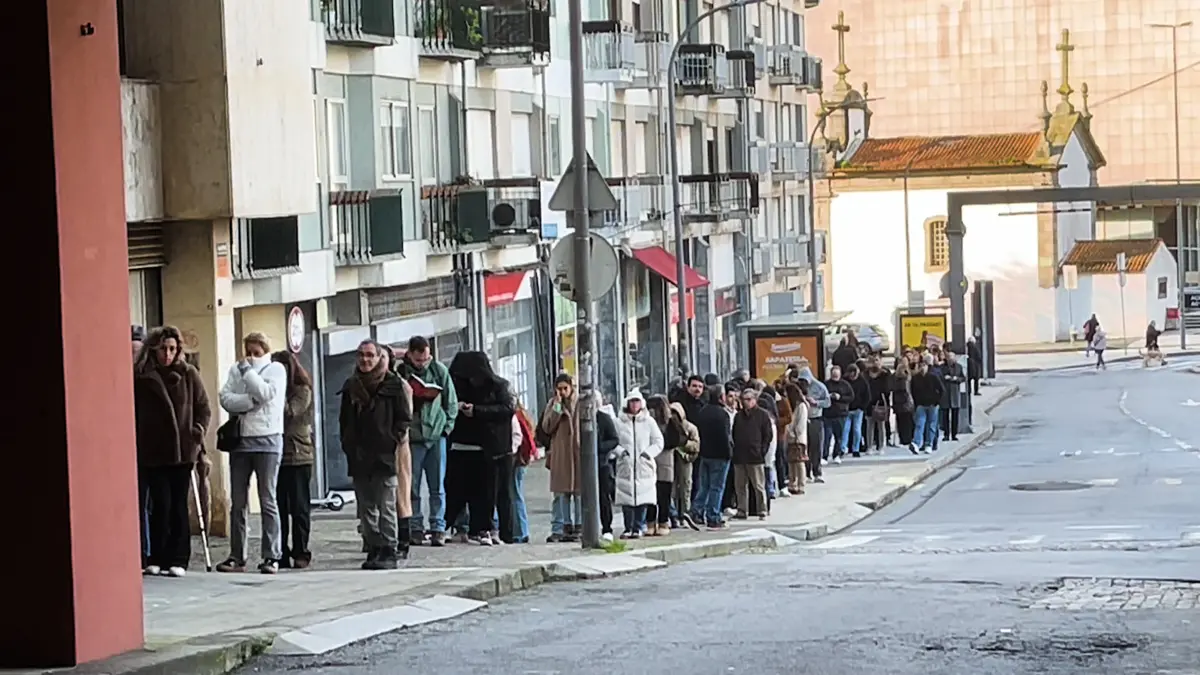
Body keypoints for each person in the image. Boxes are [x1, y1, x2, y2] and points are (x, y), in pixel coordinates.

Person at [134, 327, 211, 578]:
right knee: (160, 505)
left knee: (178, 504)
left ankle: (179, 558)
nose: (167, 354)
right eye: (163, 349)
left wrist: (196, 432)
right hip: (153, 450)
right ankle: (157, 556)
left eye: (172, 349)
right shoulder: (142, 376)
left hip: (182, 450)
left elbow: (203, 407)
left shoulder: (188, 374)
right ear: (154, 349)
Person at [217, 332, 288, 575]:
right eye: (249, 352)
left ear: (265, 351)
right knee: (238, 502)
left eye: (257, 353)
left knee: (268, 499)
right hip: (240, 442)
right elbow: (226, 398)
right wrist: (248, 402)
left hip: (268, 441)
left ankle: (271, 555)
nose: (251, 357)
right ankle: (237, 555)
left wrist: (249, 374)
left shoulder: (276, 369)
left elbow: (268, 394)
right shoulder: (236, 370)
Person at [338, 339, 412, 568]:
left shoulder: (393, 384)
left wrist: (393, 439)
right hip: (359, 455)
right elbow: (344, 420)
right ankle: (374, 546)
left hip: (384, 453)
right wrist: (348, 444)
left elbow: (404, 417)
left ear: (380, 358)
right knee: (366, 508)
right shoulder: (352, 385)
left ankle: (389, 549)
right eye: (361, 355)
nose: (365, 359)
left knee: (386, 505)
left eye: (370, 355)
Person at [445, 352, 516, 546]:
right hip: (461, 445)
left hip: (491, 449)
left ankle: (496, 530)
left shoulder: (498, 386)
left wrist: (476, 411)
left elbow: (506, 410)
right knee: (458, 490)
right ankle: (460, 526)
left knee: (494, 494)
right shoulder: (455, 386)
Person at [393, 336, 458, 547]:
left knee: (437, 485)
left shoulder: (439, 371)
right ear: (409, 354)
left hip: (435, 435)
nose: (423, 363)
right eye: (419, 360)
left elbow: (451, 402)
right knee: (411, 485)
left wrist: (446, 427)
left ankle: (438, 527)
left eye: (426, 359)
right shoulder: (401, 373)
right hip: (412, 438)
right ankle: (415, 526)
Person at [272, 351, 315, 569]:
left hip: (298, 455)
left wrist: (272, 394)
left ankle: (301, 550)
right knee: (278, 506)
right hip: (276, 455)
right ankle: (281, 551)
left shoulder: (302, 391)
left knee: (299, 507)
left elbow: (291, 412)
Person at [614, 391, 664, 538]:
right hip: (626, 465)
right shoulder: (619, 422)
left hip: (643, 465)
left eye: (637, 401)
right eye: (632, 402)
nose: (634, 405)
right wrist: (621, 452)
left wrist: (648, 454)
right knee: (626, 498)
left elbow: (658, 441)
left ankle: (638, 526)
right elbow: (613, 441)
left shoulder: (649, 422)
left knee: (643, 497)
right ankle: (628, 527)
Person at [541, 373, 582, 543]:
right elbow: (547, 426)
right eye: (559, 389)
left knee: (579, 493)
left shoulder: (580, 403)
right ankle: (560, 527)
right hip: (561, 454)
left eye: (566, 388)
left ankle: (580, 526)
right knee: (560, 493)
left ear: (572, 387)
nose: (563, 392)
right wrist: (557, 406)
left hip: (577, 453)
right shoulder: (553, 404)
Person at [691, 385, 734, 529]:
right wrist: (730, 453)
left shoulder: (703, 412)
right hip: (720, 455)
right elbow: (725, 436)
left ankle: (696, 511)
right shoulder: (722, 414)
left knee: (704, 486)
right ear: (721, 397)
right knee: (717, 487)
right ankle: (713, 516)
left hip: (705, 454)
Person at [732, 387, 774, 520]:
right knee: (740, 486)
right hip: (740, 456)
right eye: (744, 400)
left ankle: (762, 510)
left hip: (755, 456)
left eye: (749, 399)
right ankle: (742, 510)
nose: (746, 402)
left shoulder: (762, 415)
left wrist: (762, 450)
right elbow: (734, 433)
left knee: (758, 485)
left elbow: (768, 435)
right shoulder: (739, 416)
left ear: (755, 400)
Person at [794, 360, 829, 483]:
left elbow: (828, 402)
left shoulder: (820, 387)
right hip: (803, 419)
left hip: (815, 418)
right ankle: (807, 472)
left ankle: (817, 472)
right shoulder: (798, 387)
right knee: (805, 446)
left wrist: (816, 402)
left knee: (816, 446)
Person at [667, 401, 700, 530]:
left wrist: (683, 444)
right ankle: (674, 516)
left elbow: (696, 445)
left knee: (686, 487)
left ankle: (685, 514)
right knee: (672, 490)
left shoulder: (690, 428)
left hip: (684, 460)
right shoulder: (668, 427)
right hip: (671, 461)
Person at [509, 401, 539, 543]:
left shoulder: (514, 416)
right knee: (517, 494)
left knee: (515, 494)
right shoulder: (522, 415)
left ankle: (520, 532)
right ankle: (522, 530)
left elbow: (518, 438)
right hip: (522, 460)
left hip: (516, 460)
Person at [645, 395, 675, 535]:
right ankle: (660, 523)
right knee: (661, 494)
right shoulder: (652, 422)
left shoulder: (670, 422)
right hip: (661, 461)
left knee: (657, 495)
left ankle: (655, 523)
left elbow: (675, 439)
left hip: (658, 461)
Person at [594, 392, 621, 542]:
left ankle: (606, 527)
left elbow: (614, 439)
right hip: (583, 465)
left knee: (604, 497)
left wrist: (600, 448)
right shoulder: (579, 419)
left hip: (602, 463)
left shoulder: (604, 419)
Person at [910, 357, 945, 454]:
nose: (922, 368)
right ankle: (916, 443)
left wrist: (937, 401)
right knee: (919, 424)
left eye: (924, 366)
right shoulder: (915, 378)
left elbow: (942, 390)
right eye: (920, 366)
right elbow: (913, 391)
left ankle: (928, 444)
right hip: (921, 405)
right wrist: (916, 403)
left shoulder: (933, 377)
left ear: (927, 367)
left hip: (932, 405)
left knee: (931, 426)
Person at [823, 366, 854, 465]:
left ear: (840, 374)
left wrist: (840, 397)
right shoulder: (826, 384)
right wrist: (829, 396)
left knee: (839, 436)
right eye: (833, 375)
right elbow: (822, 395)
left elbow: (851, 397)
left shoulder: (845, 385)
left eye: (837, 375)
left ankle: (837, 455)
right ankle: (824, 456)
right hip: (828, 414)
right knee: (827, 436)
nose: (835, 376)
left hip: (841, 414)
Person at [784, 380, 809, 495]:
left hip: (799, 438)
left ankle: (801, 485)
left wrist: (793, 434)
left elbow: (801, 425)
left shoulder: (801, 406)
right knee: (791, 462)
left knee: (799, 462)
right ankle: (792, 484)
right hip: (790, 437)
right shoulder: (790, 406)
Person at [864, 356, 892, 453]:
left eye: (877, 360)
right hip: (868, 402)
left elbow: (888, 388)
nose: (875, 363)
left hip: (880, 402)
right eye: (873, 361)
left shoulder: (885, 374)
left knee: (881, 426)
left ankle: (881, 446)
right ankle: (869, 446)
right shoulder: (865, 374)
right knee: (869, 426)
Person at [939, 347, 966, 443]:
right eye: (948, 357)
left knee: (955, 415)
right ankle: (946, 434)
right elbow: (940, 378)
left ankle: (954, 434)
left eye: (952, 357)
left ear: (954, 358)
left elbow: (963, 378)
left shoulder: (959, 367)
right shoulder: (942, 367)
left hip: (955, 394)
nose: (950, 359)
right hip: (945, 394)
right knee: (945, 416)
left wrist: (955, 379)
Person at [844, 364, 871, 458]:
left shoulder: (862, 381)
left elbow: (867, 396)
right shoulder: (845, 381)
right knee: (845, 430)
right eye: (850, 373)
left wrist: (862, 407)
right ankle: (844, 448)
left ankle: (856, 449)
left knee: (857, 429)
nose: (852, 375)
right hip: (847, 410)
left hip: (858, 410)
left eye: (853, 373)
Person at [891, 361, 917, 453]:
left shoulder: (895, 380)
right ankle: (908, 440)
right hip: (906, 405)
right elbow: (907, 393)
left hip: (898, 405)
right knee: (908, 423)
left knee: (901, 423)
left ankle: (903, 440)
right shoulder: (906, 381)